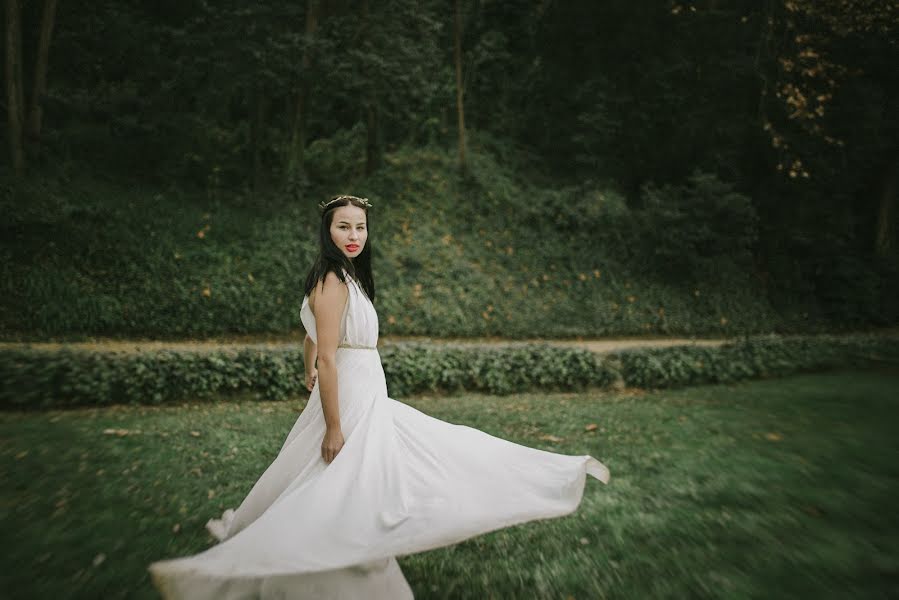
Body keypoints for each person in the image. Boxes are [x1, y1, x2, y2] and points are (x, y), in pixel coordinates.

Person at [148, 195, 610, 599]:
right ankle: (337, 567)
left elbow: (314, 336)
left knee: (380, 467)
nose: (353, 235)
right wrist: (332, 423)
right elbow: (330, 355)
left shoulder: (348, 278)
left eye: (360, 227)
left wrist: (306, 359)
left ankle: (344, 542)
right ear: (327, 231)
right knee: (341, 478)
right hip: (350, 395)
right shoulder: (331, 279)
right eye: (343, 226)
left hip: (366, 388)